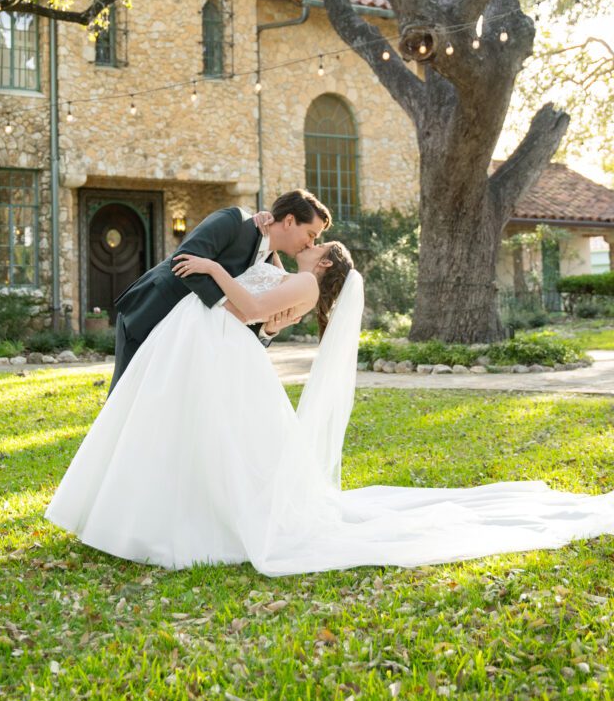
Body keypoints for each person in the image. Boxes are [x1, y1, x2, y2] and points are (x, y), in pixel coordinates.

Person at [45, 242, 614, 577]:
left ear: (325, 264)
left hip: (229, 351)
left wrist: (214, 272)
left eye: (317, 244)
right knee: (220, 442)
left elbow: (247, 310)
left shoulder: (305, 284)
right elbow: (264, 312)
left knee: (229, 447)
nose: (311, 241)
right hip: (225, 358)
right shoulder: (295, 276)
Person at [108, 188, 330, 391]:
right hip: (152, 310)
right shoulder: (234, 222)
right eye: (311, 234)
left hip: (187, 341)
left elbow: (248, 311)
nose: (310, 244)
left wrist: (267, 330)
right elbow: (182, 260)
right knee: (126, 395)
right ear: (290, 221)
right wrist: (228, 305)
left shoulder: (271, 262)